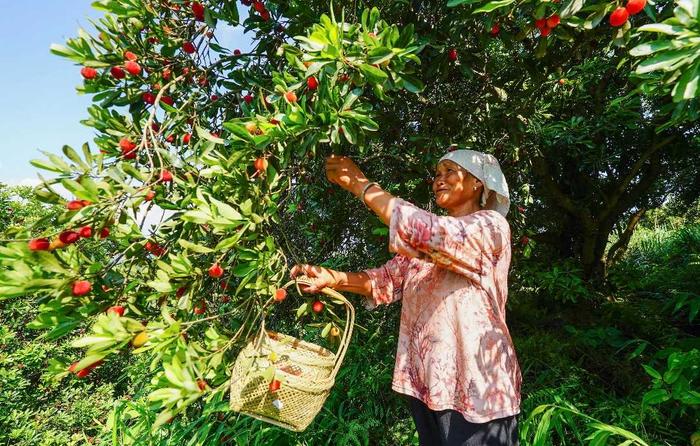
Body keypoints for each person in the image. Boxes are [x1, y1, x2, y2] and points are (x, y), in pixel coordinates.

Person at [289, 149, 522, 446]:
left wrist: (359, 183)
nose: (439, 180)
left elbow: (431, 231)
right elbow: (384, 280)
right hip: (430, 386)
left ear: (478, 182)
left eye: (450, 171)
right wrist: (331, 278)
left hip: (478, 386)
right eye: (437, 174)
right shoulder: (426, 245)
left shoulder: (490, 226)